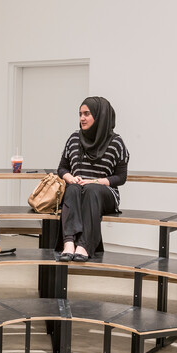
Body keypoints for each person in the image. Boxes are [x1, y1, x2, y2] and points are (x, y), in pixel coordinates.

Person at [56, 96, 129, 262]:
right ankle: (68, 243)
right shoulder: (74, 139)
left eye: (87, 114)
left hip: (104, 193)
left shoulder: (116, 142)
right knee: (73, 188)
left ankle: (85, 245)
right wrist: (70, 178)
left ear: (100, 115)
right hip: (77, 191)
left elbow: (121, 177)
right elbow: (62, 168)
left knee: (90, 190)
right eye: (80, 114)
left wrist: (95, 181)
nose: (82, 118)